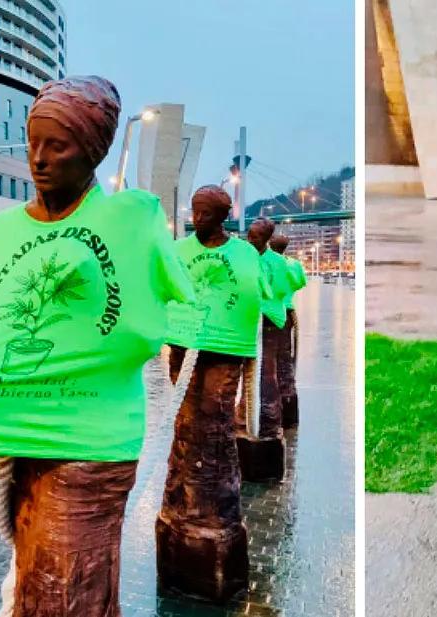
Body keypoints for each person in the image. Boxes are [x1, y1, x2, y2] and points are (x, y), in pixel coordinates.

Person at [0, 76, 195, 617]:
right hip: (20, 436)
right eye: (33, 142)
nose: (38, 159)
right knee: (38, 583)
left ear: (94, 153)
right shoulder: (4, 230)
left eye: (57, 146)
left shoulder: (132, 219)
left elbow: (177, 302)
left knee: (65, 589)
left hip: (92, 442)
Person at [157, 186, 272, 601]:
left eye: (205, 212)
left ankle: (210, 506)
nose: (197, 217)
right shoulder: (177, 249)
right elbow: (160, 287)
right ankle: (183, 498)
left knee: (216, 419)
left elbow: (257, 291)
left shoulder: (243, 254)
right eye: (195, 211)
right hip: (184, 346)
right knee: (187, 419)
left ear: (222, 215)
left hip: (225, 350)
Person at [236, 217, 294, 480]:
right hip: (246, 320)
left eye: (256, 237)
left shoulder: (278, 263)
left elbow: (281, 288)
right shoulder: (244, 255)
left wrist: (265, 292)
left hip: (269, 320)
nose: (251, 240)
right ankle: (243, 416)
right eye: (250, 235)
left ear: (267, 238)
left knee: (266, 371)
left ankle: (268, 422)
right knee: (242, 373)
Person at [269, 234, 307, 428]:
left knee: (267, 363)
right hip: (288, 311)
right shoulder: (293, 264)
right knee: (285, 360)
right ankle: (289, 410)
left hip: (268, 314)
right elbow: (301, 282)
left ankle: (270, 410)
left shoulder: (266, 262)